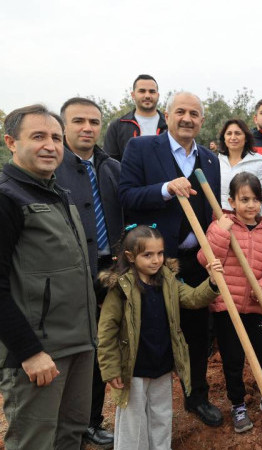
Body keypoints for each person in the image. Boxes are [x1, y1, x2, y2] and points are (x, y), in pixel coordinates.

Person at [118, 91, 223, 426]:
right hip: (154, 261)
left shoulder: (209, 159)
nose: (187, 118)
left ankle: (196, 397)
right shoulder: (141, 148)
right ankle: (148, 404)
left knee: (196, 331)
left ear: (202, 121)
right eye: (180, 111)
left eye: (194, 113)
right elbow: (126, 195)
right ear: (167, 114)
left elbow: (209, 210)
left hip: (195, 259)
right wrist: (164, 189)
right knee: (152, 329)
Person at [0, 105, 96, 449]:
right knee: (34, 442)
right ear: (12, 142)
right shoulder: (7, 196)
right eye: (38, 136)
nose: (50, 145)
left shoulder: (59, 194)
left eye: (56, 137)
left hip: (79, 344)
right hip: (40, 352)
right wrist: (29, 352)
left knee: (70, 435)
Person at [97, 225, 223, 449]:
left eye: (160, 253)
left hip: (162, 363)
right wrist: (110, 368)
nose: (156, 260)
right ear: (130, 256)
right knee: (132, 420)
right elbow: (106, 331)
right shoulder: (121, 288)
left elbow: (193, 298)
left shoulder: (168, 281)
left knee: (161, 415)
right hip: (133, 367)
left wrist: (212, 283)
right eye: (148, 255)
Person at [54, 97, 124, 448]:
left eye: (94, 122)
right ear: (63, 126)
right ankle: (65, 423)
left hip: (109, 269)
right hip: (70, 273)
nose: (87, 128)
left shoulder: (110, 166)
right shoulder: (52, 168)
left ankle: (91, 421)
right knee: (74, 351)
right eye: (78, 121)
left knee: (103, 346)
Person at [197, 172, 262, 432]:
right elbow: (205, 257)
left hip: (258, 307)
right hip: (228, 307)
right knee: (233, 359)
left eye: (256, 199)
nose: (250, 205)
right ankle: (238, 405)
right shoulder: (221, 226)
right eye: (244, 199)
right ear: (232, 201)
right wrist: (222, 233)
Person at [105, 74, 167, 161]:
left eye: (152, 91)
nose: (147, 96)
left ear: (158, 95)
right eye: (142, 91)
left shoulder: (169, 124)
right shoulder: (118, 126)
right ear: (133, 95)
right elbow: (110, 163)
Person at [217, 119, 262, 216]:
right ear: (224, 138)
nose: (233, 137)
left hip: (249, 219)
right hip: (222, 219)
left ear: (246, 137)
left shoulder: (258, 162)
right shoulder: (216, 162)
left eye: (237, 133)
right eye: (229, 133)